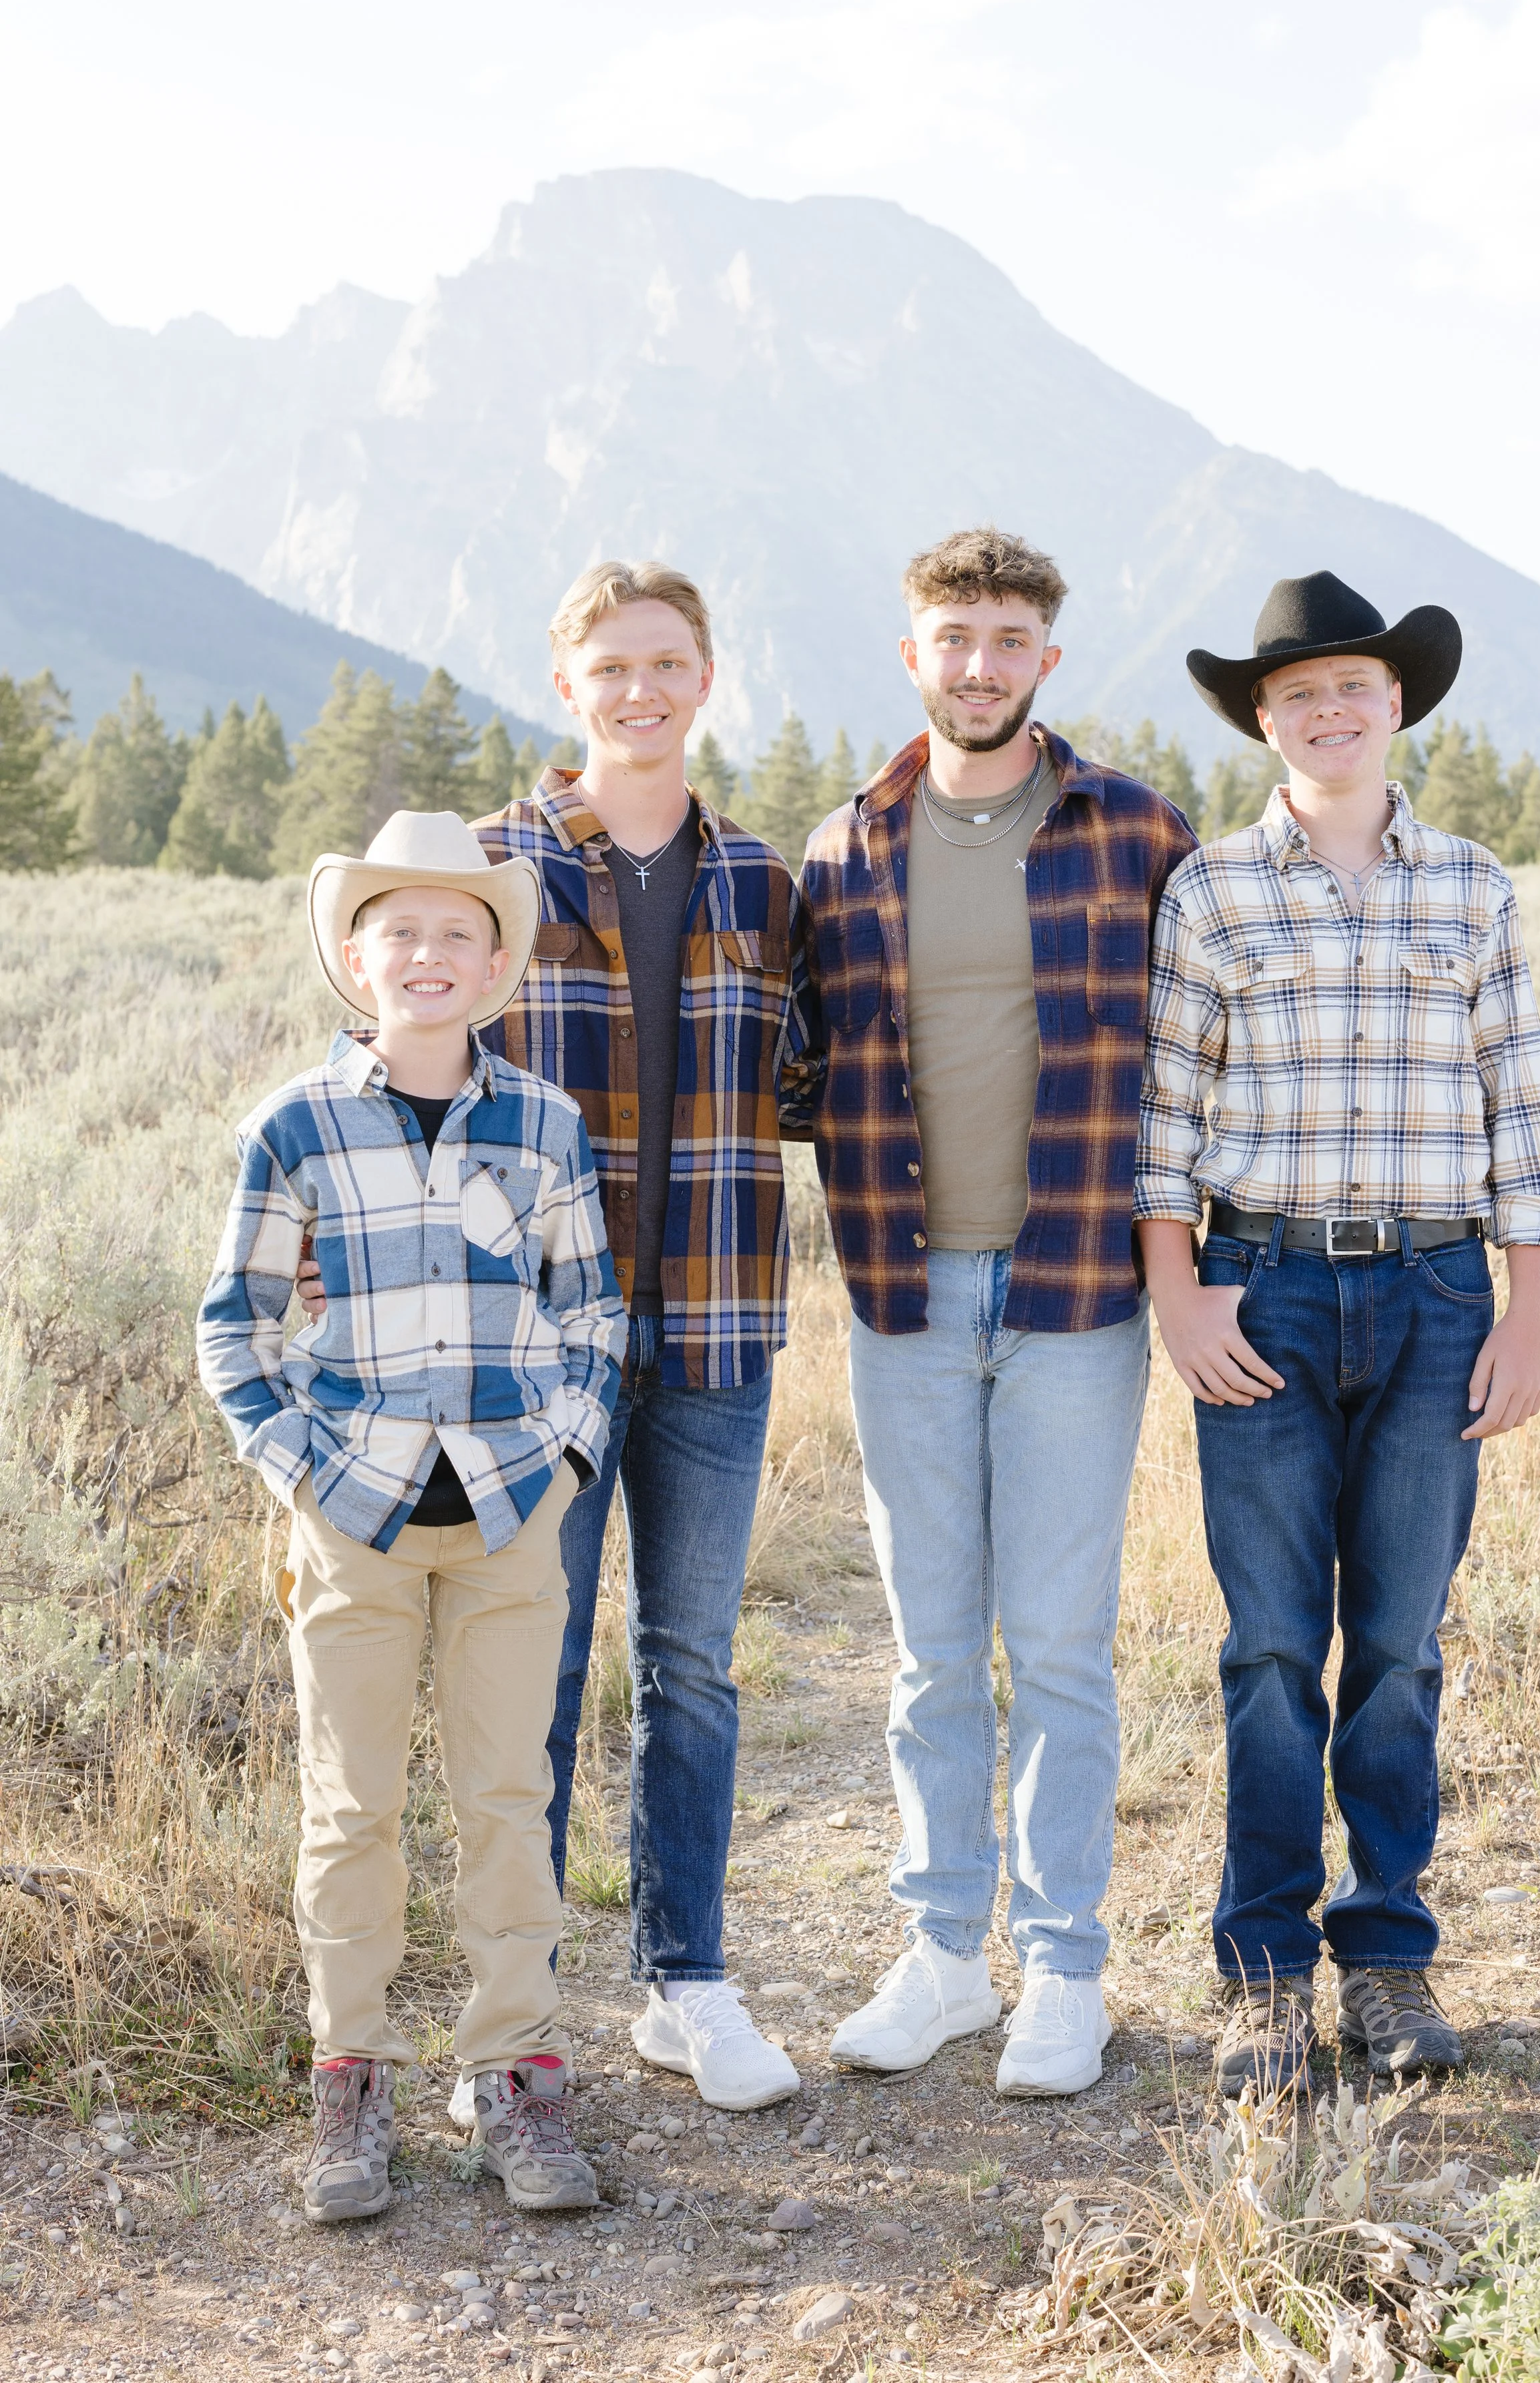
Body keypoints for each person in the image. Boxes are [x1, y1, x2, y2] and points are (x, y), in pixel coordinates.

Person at [1134, 571, 1540, 2097]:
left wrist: (1526, 1315)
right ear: (1264, 717)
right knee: (1265, 1646)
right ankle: (1260, 1972)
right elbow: (1166, 1115)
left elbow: (1520, 1105)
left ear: (1397, 706)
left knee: (1396, 1643)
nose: (1329, 710)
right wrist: (1175, 1292)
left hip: (1438, 1295)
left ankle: (1383, 1952)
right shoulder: (1209, 891)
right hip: (1261, 1291)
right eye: (1298, 691)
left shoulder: (1470, 886)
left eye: (1355, 688)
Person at [797, 527, 1197, 2096]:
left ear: (1045, 657)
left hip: (1073, 1295)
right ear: (912, 656)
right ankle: (943, 1958)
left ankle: (1065, 1973)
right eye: (951, 637)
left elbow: (1199, 1055)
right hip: (900, 1294)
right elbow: (790, 1066)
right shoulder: (845, 848)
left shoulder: (1135, 832)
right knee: (926, 1651)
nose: (978, 664)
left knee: (1060, 1646)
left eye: (1007, 638)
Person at [197, 810, 625, 2222]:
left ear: (495, 960)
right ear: (355, 957)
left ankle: (515, 2075)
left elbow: (589, 1313)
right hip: (352, 1507)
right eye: (400, 932)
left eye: (457, 931)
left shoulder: (544, 1122)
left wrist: (563, 1461)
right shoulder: (295, 1124)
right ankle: (352, 2081)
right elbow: (234, 1327)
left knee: (509, 1797)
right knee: (351, 1804)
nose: (428, 954)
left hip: (510, 1508)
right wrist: (293, 1466)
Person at [473, 561, 818, 2112]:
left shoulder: (760, 880)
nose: (639, 689)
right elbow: (401, 1059)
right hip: (540, 1345)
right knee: (530, 1670)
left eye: (667, 662)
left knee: (691, 1662)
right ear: (567, 687)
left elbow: (814, 1083)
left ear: (703, 680)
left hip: (719, 1322)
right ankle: (514, 2010)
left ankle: (687, 1981)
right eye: (610, 666)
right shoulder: (492, 868)